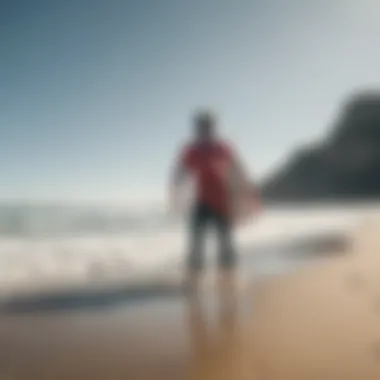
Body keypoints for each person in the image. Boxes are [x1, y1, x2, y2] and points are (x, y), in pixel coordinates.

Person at [169, 110, 257, 280]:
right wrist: (176, 198)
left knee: (226, 243)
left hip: (223, 201)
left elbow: (239, 171)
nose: (203, 129)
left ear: (212, 127)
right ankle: (194, 277)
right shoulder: (191, 150)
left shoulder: (223, 148)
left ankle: (229, 278)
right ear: (197, 128)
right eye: (200, 126)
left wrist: (246, 193)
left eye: (206, 126)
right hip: (200, 201)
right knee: (196, 243)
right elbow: (179, 173)